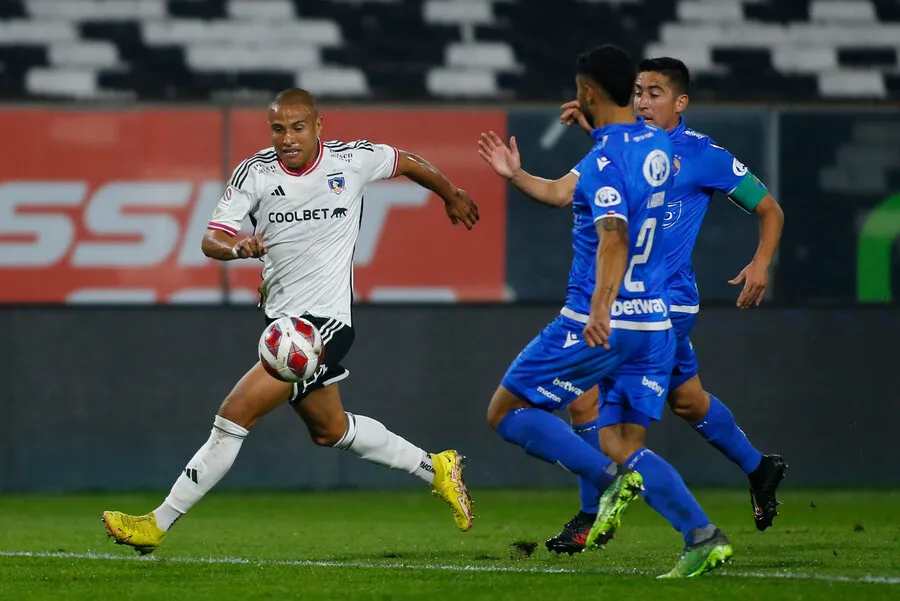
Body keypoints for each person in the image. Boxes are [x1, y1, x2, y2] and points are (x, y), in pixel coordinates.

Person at [102, 88, 479, 554]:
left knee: (233, 415)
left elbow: (407, 161)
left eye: (298, 127)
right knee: (331, 430)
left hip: (324, 326)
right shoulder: (255, 173)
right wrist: (237, 247)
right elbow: (210, 240)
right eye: (278, 128)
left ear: (319, 125)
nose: (287, 138)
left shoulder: (352, 161)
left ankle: (155, 524)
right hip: (282, 325)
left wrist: (451, 193)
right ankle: (436, 467)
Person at [480, 45, 732, 578]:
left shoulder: (604, 160)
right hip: (656, 324)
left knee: (507, 413)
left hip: (601, 321)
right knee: (620, 443)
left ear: (588, 92)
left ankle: (607, 480)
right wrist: (517, 175)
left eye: (579, 91)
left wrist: (599, 307)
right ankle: (702, 535)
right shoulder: (659, 146)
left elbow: (613, 235)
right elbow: (564, 192)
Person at [541, 57, 786, 554]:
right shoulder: (619, 145)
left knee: (583, 396)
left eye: (654, 92)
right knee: (687, 401)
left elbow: (769, 208)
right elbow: (563, 192)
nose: (643, 101)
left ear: (681, 103)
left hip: (665, 304)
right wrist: (513, 170)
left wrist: (761, 264)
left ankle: (594, 513)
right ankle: (761, 467)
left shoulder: (703, 156)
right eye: (637, 91)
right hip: (626, 300)